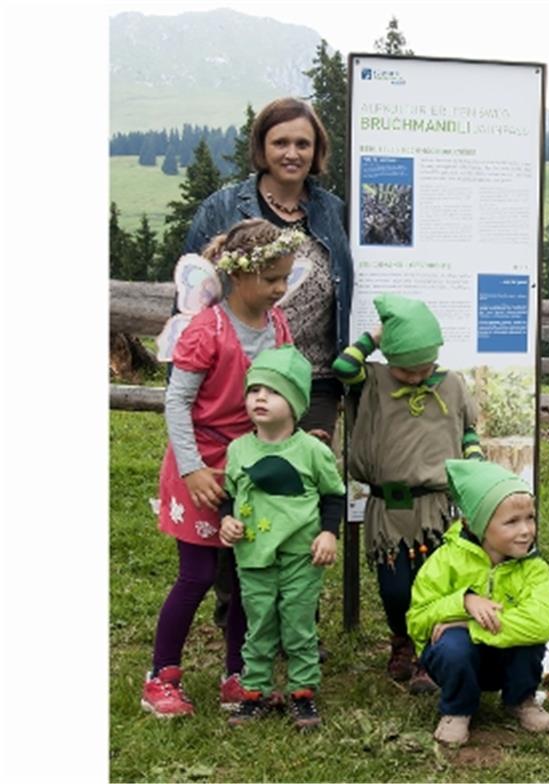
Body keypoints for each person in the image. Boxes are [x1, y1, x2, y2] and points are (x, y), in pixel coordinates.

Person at [183, 97, 353, 651]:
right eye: (281, 142)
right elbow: (194, 290)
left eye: (303, 143)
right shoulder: (223, 206)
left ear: (316, 150)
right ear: (261, 147)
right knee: (250, 485)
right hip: (244, 376)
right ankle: (248, 615)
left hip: (316, 376)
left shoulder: (330, 211)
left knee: (301, 483)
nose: (292, 153)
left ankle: (297, 613)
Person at [142, 219, 304, 717]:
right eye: (273, 279)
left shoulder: (276, 326)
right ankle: (161, 676)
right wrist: (191, 469)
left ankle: (241, 675)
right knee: (196, 574)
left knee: (242, 574)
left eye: (284, 278)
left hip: (247, 468)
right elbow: (177, 402)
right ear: (239, 275)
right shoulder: (206, 330)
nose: (281, 289)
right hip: (201, 468)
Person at [333, 293, 483, 692]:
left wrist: (475, 463)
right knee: (395, 585)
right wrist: (376, 337)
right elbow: (343, 365)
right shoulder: (375, 380)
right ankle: (401, 639)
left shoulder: (451, 384)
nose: (416, 377)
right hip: (388, 506)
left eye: (423, 368)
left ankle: (425, 654)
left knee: (433, 583)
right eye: (406, 370)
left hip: (433, 507)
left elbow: (467, 431)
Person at [216, 346, 346, 730]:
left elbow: (334, 494)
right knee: (259, 626)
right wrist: (226, 522)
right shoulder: (238, 450)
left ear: (295, 403)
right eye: (253, 389)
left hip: (300, 557)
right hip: (253, 557)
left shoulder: (310, 451)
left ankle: (302, 693)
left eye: (272, 391)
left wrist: (328, 533)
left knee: (298, 624)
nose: (260, 397)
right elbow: (228, 496)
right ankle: (255, 692)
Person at [406, 459, 549, 746]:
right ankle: (457, 709)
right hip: (461, 660)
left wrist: (470, 623)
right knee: (452, 646)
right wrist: (462, 602)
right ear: (476, 524)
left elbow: (542, 623)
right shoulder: (445, 561)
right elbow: (417, 619)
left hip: (506, 659)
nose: (526, 530)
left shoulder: (535, 568)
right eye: (512, 522)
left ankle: (520, 699)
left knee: (528, 643)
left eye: (530, 518)